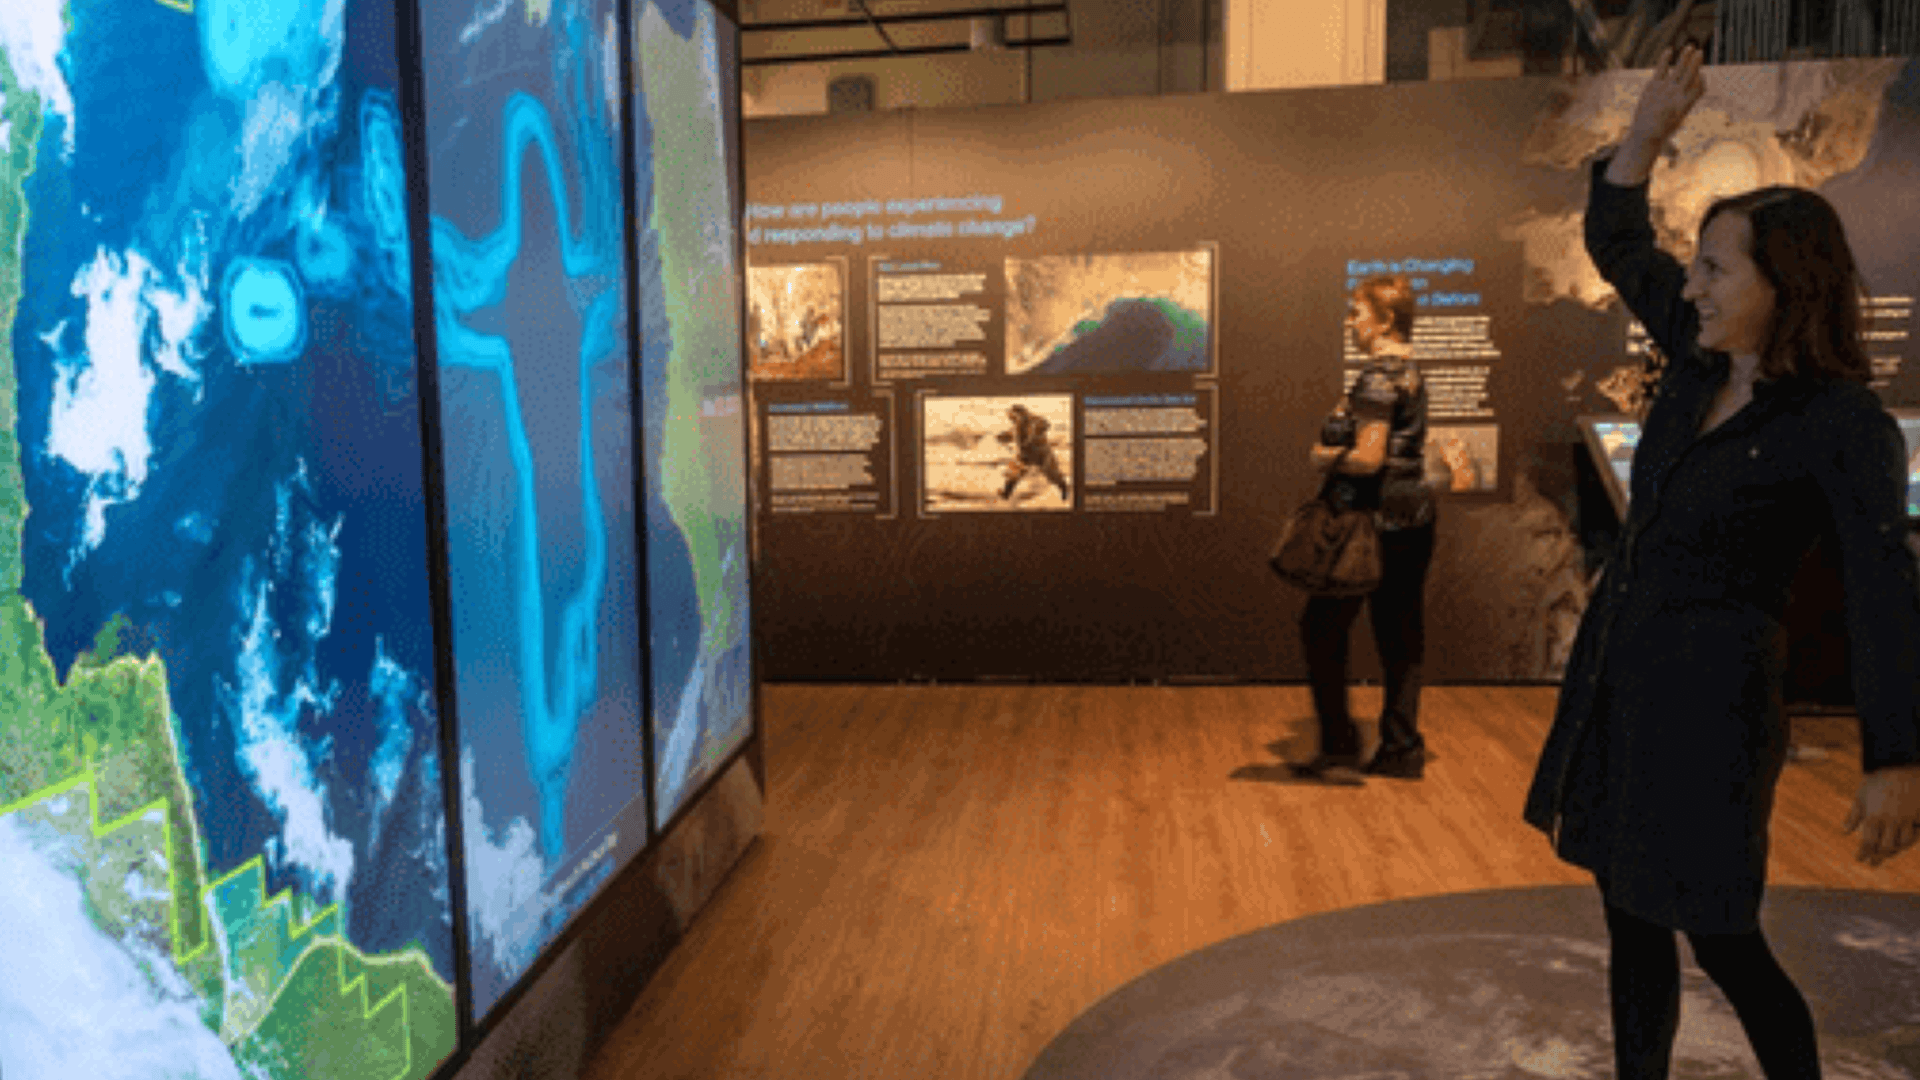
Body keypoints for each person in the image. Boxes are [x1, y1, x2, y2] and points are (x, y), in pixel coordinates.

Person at [1521, 43, 1920, 1080]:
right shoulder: (1700, 364)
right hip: (1623, 682)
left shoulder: (1841, 426)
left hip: (1716, 713)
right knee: (1628, 918)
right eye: (1692, 265)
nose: (1689, 285)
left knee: (1721, 936)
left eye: (1713, 267)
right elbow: (1616, 238)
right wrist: (1645, 132)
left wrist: (1894, 760)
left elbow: (1885, 594)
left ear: (1783, 285)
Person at [1291, 273, 1439, 785]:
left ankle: (1337, 746)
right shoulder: (1413, 371)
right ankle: (1401, 748)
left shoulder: (1379, 377)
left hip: (1370, 522)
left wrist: (1322, 457)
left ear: (1385, 321)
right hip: (1413, 515)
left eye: (1357, 311)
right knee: (1400, 635)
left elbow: (1370, 457)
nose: (1350, 321)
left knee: (1321, 628)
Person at [998, 403, 1071, 502]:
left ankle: (1064, 490)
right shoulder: (1017, 425)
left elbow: (1045, 424)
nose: (1010, 417)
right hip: (1025, 455)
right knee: (1013, 473)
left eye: (1013, 415)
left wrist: (1036, 430)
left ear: (1020, 413)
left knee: (1052, 474)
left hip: (1042, 454)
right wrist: (1003, 437)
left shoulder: (1034, 420)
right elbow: (1012, 434)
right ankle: (1006, 494)